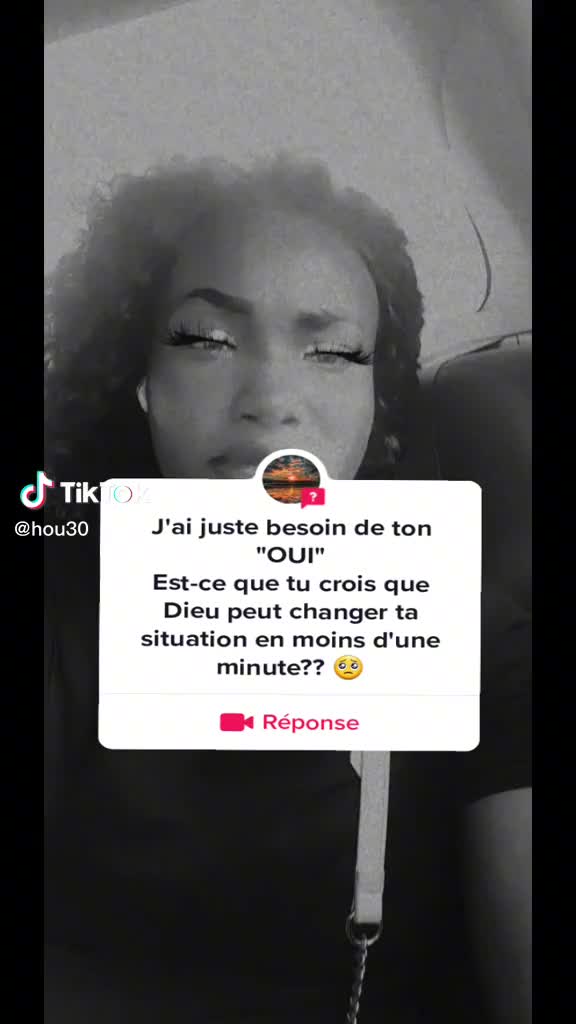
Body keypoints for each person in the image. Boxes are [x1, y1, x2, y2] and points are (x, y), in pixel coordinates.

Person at [44, 154, 531, 1022]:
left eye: (333, 352)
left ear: (379, 402)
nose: (271, 399)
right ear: (138, 375)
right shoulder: (63, 586)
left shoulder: (473, 624)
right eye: (207, 339)